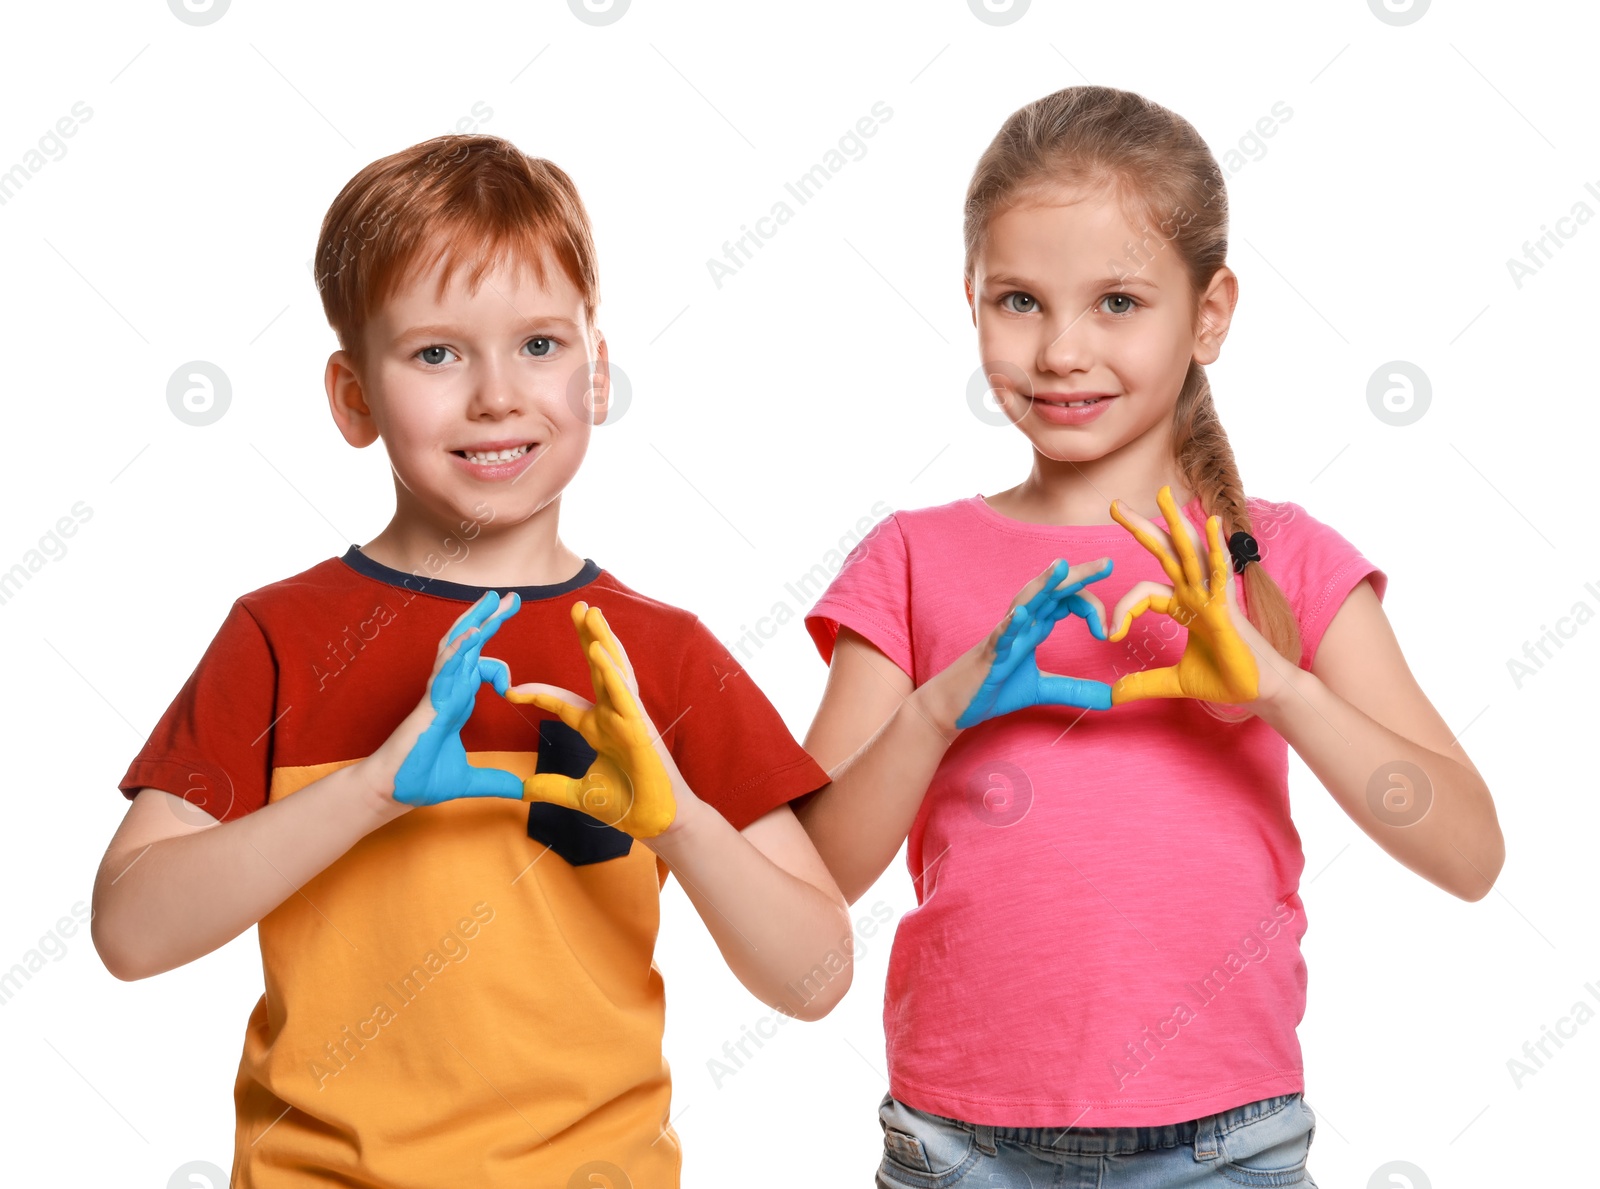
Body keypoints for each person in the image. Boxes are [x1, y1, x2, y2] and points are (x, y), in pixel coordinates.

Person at [91, 133, 852, 1188]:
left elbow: (816, 976)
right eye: (437, 353)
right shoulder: (278, 635)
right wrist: (367, 794)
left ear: (596, 374)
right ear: (353, 396)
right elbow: (128, 932)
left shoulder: (662, 654)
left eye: (539, 345)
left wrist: (678, 816)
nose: (497, 395)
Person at [795, 85, 1504, 1187]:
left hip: (1227, 1147)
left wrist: (1280, 688)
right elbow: (814, 877)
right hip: (957, 1147)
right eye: (1020, 301)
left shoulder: (1286, 557)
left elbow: (1467, 851)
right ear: (971, 300)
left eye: (1117, 301)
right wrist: (938, 707)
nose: (1062, 349)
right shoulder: (911, 557)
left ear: (1209, 312)